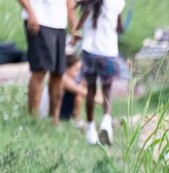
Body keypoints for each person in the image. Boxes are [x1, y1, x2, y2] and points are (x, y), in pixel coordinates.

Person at [18, 0, 78, 123]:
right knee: (40, 70)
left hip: (59, 24)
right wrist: (31, 13)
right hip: (39, 20)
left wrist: (74, 25)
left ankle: (53, 119)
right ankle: (33, 118)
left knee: (58, 72)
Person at [75, 0, 125, 145]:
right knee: (107, 88)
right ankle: (106, 121)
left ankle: (90, 129)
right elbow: (119, 26)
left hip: (90, 50)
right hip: (108, 51)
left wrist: (76, 31)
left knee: (90, 88)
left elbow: (81, 22)